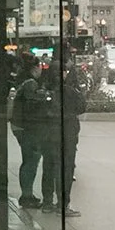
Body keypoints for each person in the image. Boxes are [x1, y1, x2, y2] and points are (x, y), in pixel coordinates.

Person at [38, 52, 85, 217]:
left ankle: (47, 202)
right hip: (67, 135)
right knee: (65, 169)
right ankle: (62, 205)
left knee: (48, 167)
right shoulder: (70, 91)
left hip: (48, 135)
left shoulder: (43, 91)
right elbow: (81, 107)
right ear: (63, 73)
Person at [9, 51, 46, 208]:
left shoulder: (21, 79)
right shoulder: (31, 83)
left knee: (29, 160)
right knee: (31, 160)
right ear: (35, 68)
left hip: (19, 125)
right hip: (27, 127)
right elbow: (33, 105)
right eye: (40, 67)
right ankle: (26, 196)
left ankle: (27, 195)